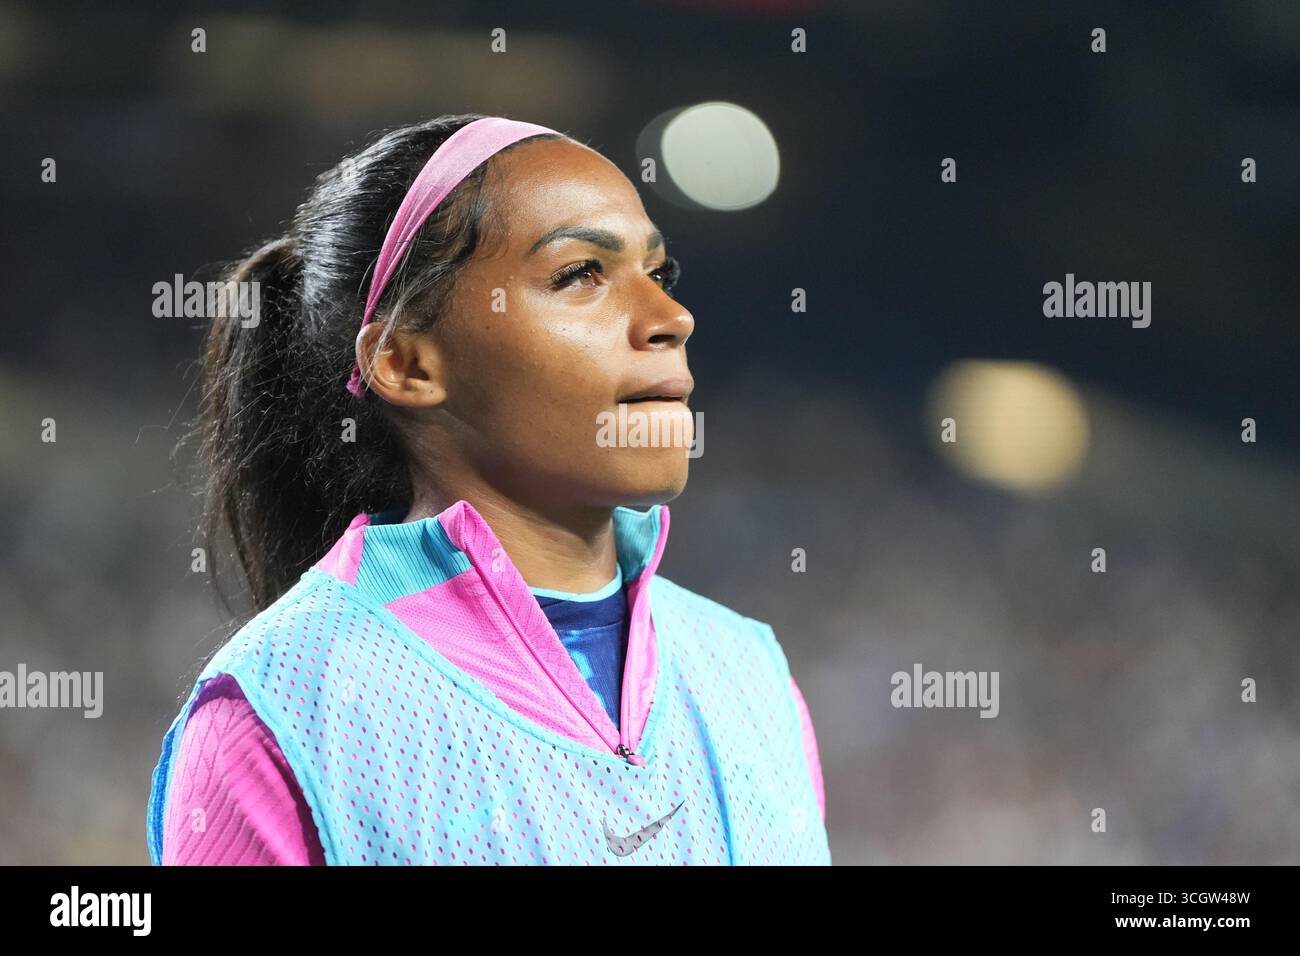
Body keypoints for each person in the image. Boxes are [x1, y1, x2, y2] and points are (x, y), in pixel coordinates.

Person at [146, 114, 829, 865]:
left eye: (658, 275)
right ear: (407, 364)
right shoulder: (285, 714)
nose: (671, 318)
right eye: (580, 275)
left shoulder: (747, 673)